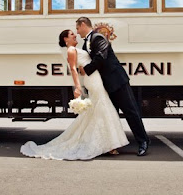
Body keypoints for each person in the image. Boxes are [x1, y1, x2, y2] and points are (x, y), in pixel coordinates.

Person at [20, 30, 129, 160]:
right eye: (72, 34)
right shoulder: (70, 50)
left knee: (99, 109)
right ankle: (109, 144)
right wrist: (77, 87)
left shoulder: (76, 49)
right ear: (66, 39)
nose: (75, 35)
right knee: (102, 107)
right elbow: (73, 69)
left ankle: (107, 143)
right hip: (93, 80)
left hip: (95, 78)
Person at [76, 16, 150, 156]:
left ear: (84, 24)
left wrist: (87, 70)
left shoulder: (98, 38)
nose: (78, 32)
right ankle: (111, 144)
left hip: (117, 81)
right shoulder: (86, 43)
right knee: (111, 115)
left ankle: (143, 142)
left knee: (130, 112)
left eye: (78, 28)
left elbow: (100, 57)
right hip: (104, 84)